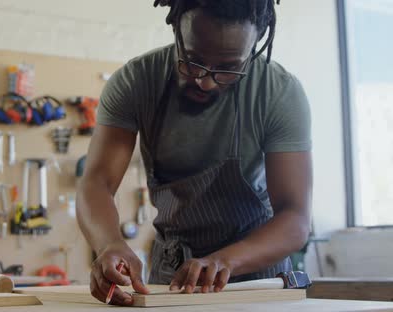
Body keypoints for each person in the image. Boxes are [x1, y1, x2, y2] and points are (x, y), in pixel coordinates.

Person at [76, 0, 312, 306]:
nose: (205, 81)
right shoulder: (137, 82)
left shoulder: (278, 93)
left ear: (255, 45)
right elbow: (96, 182)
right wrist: (108, 244)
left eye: (228, 68)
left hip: (257, 279)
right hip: (173, 275)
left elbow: (294, 218)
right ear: (176, 30)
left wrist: (225, 261)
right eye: (192, 61)